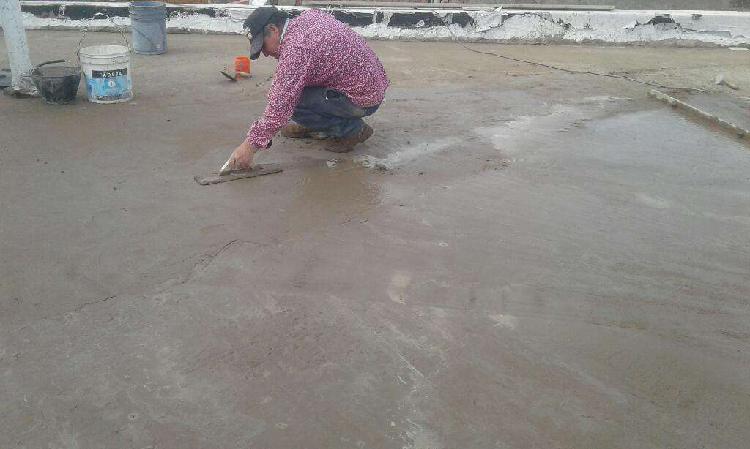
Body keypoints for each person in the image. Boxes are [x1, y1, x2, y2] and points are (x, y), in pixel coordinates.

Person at [222, 6, 389, 173]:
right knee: (289, 87)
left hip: (362, 99)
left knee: (290, 100)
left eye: (263, 45)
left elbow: (280, 105)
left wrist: (248, 148)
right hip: (372, 85)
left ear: (273, 29)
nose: (265, 53)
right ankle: (317, 124)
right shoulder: (307, 17)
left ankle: (352, 130)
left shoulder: (297, 48)